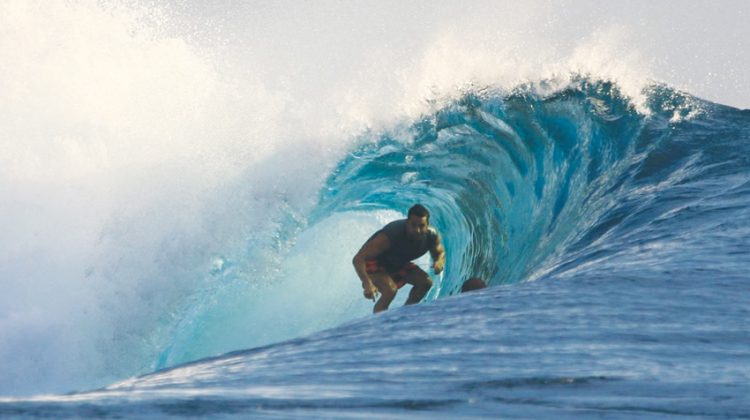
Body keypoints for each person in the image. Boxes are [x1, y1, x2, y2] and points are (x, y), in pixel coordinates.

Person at [352, 204, 445, 313]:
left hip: (397, 264)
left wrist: (439, 261)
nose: (417, 230)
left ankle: (405, 314)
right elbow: (358, 259)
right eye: (413, 225)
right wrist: (367, 284)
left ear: (427, 224)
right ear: (407, 223)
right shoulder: (389, 236)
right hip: (375, 263)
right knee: (390, 290)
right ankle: (379, 323)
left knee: (425, 282)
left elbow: (439, 252)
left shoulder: (432, 236)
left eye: (422, 226)